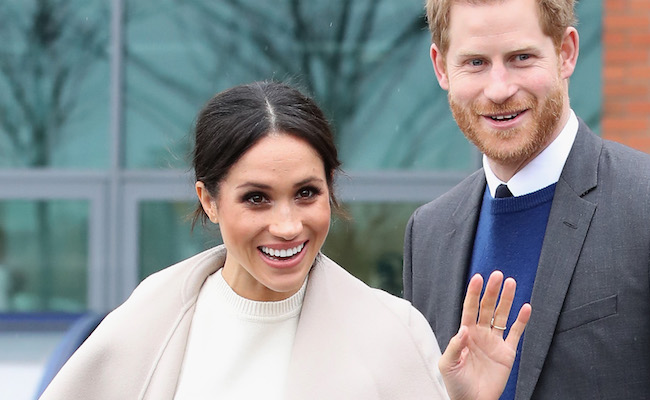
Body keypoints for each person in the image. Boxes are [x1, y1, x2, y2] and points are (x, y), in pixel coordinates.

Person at [39, 80, 532, 400]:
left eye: (305, 193)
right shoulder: (144, 325)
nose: (288, 225)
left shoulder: (394, 335)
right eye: (256, 198)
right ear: (208, 200)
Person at [402, 0, 650, 399]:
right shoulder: (428, 235)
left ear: (566, 53)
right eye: (476, 63)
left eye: (521, 57)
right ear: (442, 67)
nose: (499, 89)